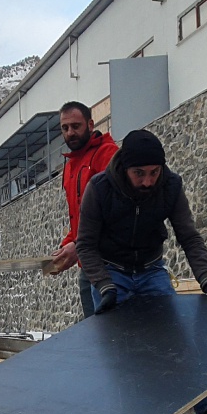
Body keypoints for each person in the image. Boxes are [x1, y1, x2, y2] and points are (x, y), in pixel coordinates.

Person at [76, 129, 207, 414]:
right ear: (125, 168)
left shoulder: (170, 185)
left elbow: (188, 236)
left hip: (151, 270)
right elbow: (85, 245)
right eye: (140, 173)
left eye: (154, 172)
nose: (148, 181)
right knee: (119, 350)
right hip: (112, 272)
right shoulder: (100, 188)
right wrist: (104, 285)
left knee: (178, 343)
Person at [49, 101, 120, 318]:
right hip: (88, 266)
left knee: (115, 331)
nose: (70, 132)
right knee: (94, 332)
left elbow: (115, 213)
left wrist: (77, 246)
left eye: (75, 126)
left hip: (113, 265)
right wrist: (65, 247)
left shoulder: (108, 155)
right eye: (65, 128)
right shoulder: (70, 165)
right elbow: (79, 218)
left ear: (90, 124)